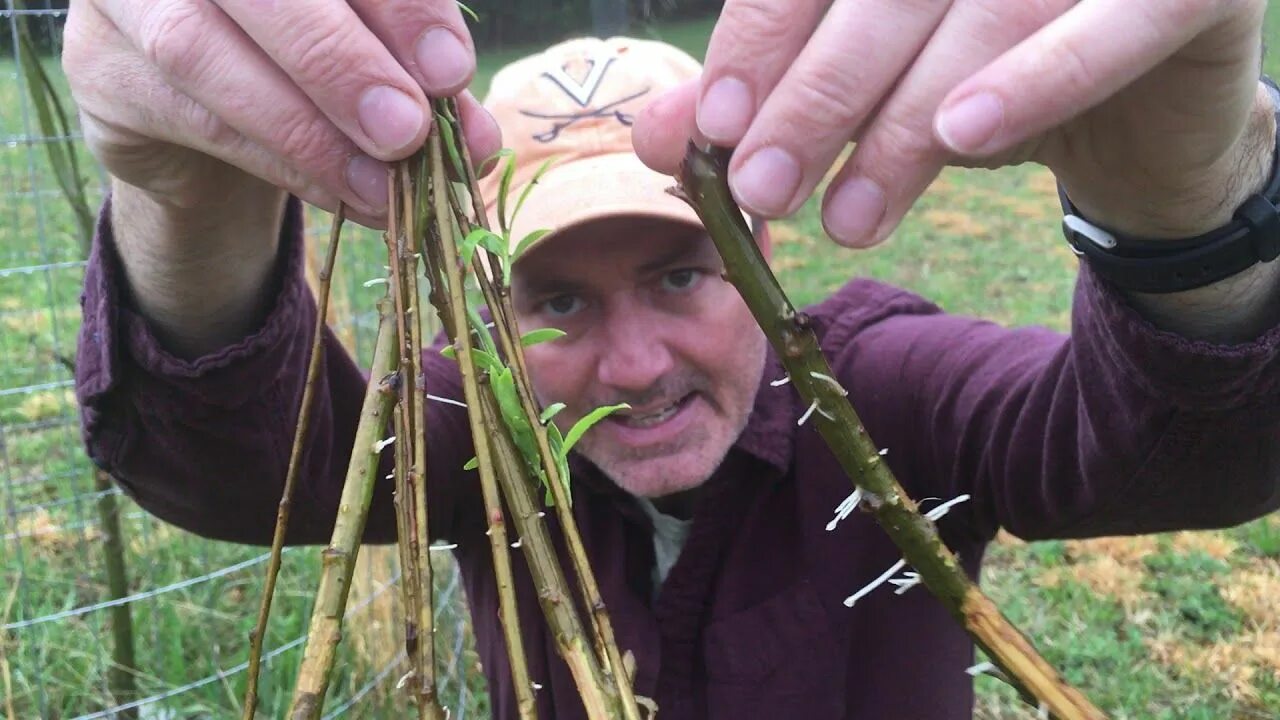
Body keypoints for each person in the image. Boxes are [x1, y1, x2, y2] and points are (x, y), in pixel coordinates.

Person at [65, 1, 1279, 718]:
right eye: (554, 300)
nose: (631, 366)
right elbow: (239, 468)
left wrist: (1181, 214)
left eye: (679, 274)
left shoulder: (892, 390)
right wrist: (183, 203)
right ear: (489, 315)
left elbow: (1183, 454)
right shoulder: (488, 427)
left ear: (758, 252)